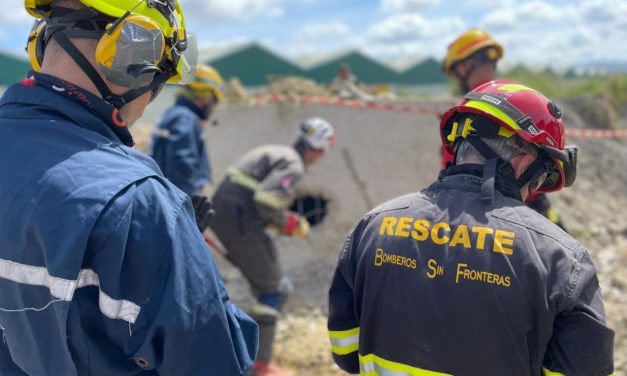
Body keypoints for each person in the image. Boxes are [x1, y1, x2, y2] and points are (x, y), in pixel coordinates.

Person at [0, 1, 257, 375]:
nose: (149, 98)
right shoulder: (135, 201)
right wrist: (172, 252)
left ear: (40, 44)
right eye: (157, 75)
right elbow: (215, 360)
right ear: (132, 53)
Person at [328, 81, 614, 375]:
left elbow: (346, 351)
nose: (534, 191)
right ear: (524, 162)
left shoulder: (372, 227)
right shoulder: (561, 259)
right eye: (540, 181)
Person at [211, 117, 336, 376]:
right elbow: (268, 201)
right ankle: (259, 365)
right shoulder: (293, 164)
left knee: (270, 285)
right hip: (241, 220)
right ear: (319, 148)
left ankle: (251, 356)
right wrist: (289, 223)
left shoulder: (279, 152)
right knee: (273, 290)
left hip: (233, 217)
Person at [442, 27, 567, 231]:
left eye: (456, 74)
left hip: (484, 214)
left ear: (465, 66)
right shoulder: (519, 96)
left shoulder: (467, 111)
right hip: (530, 207)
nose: (457, 80)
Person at [149, 63, 224, 197]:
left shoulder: (173, 114)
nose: (214, 107)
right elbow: (182, 164)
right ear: (205, 96)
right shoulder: (185, 119)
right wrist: (189, 203)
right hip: (178, 199)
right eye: (214, 101)